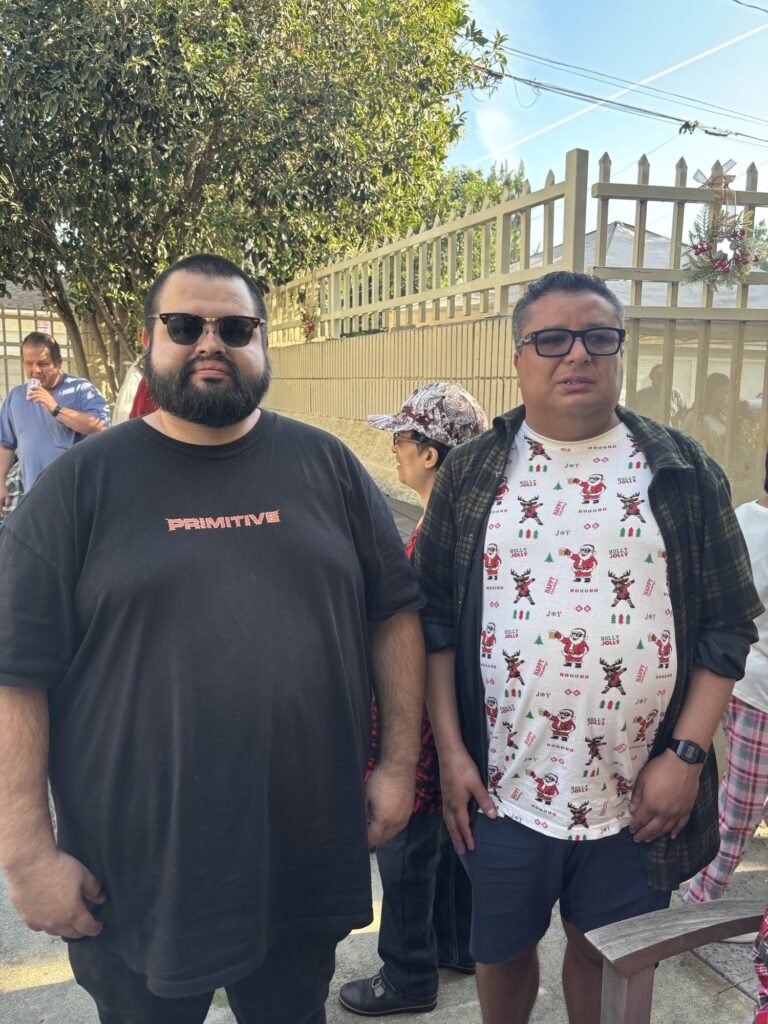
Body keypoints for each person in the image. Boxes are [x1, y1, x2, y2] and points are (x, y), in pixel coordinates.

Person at [0, 253, 426, 1024]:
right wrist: (27, 852)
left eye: (234, 328)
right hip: (135, 879)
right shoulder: (78, 487)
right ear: (149, 341)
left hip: (301, 857)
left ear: (261, 342)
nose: (210, 342)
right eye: (184, 325)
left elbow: (393, 613)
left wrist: (397, 766)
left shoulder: (326, 466)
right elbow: (15, 673)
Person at [413, 270, 762, 1024]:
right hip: (503, 790)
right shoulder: (472, 475)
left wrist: (687, 757)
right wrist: (453, 755)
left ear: (619, 352)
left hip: (641, 796)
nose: (577, 354)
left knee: (608, 953)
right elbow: (433, 623)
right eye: (552, 339)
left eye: (598, 338)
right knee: (502, 950)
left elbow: (729, 627)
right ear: (518, 357)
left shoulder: (683, 472)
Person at [340, 381, 487, 1017]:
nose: (394, 450)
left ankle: (407, 975)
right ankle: (456, 945)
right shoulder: (470, 526)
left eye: (401, 439)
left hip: (422, 721)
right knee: (450, 839)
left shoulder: (434, 539)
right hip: (454, 717)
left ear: (430, 454)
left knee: (407, 849)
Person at [683, 451, 768, 909]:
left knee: (736, 800)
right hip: (759, 693)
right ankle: (700, 904)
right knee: (740, 809)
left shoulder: (742, 518)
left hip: (739, 682)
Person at [0, 331, 110, 510]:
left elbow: (101, 428)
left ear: (58, 362)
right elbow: (5, 444)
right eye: (29, 363)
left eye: (42, 364)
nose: (35, 370)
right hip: (34, 497)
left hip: (75, 498)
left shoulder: (81, 390)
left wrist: (55, 409)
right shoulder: (16, 397)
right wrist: (1, 481)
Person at [633, 363, 687, 428]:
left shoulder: (677, 395)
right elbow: (633, 415)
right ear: (651, 376)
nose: (661, 377)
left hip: (669, 431)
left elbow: (683, 417)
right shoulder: (641, 395)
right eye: (658, 374)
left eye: (664, 374)